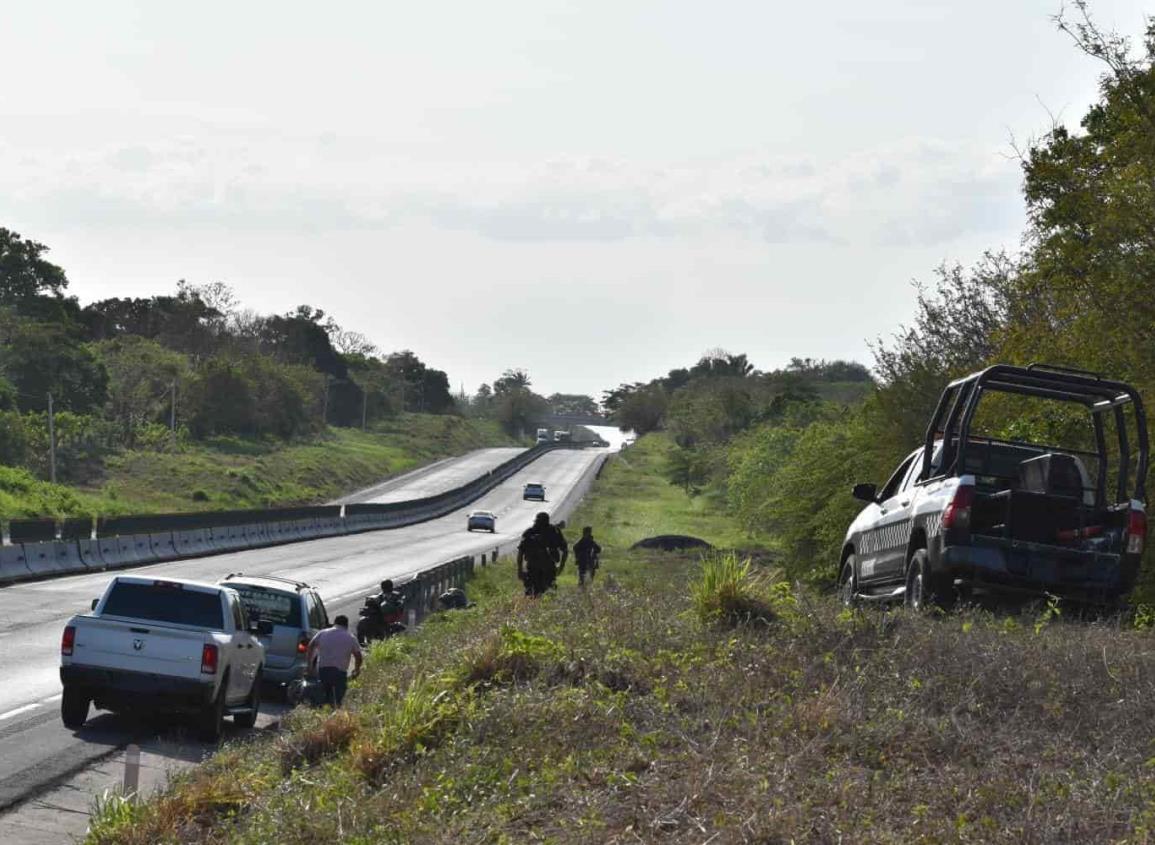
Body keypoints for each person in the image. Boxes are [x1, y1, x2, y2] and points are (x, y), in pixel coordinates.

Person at [306, 615, 363, 707]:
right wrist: (356, 670)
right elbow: (358, 657)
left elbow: (311, 646)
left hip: (323, 670)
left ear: (334, 623)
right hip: (339, 674)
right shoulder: (351, 637)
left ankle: (321, 712)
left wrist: (310, 665)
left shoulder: (322, 633)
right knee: (337, 701)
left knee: (321, 696)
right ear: (346, 626)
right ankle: (333, 713)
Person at [517, 512, 569, 597]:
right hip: (540, 569)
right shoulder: (552, 532)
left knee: (537, 594)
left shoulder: (531, 532)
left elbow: (520, 553)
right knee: (542, 593)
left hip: (540, 569)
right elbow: (565, 550)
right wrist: (561, 566)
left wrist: (519, 570)